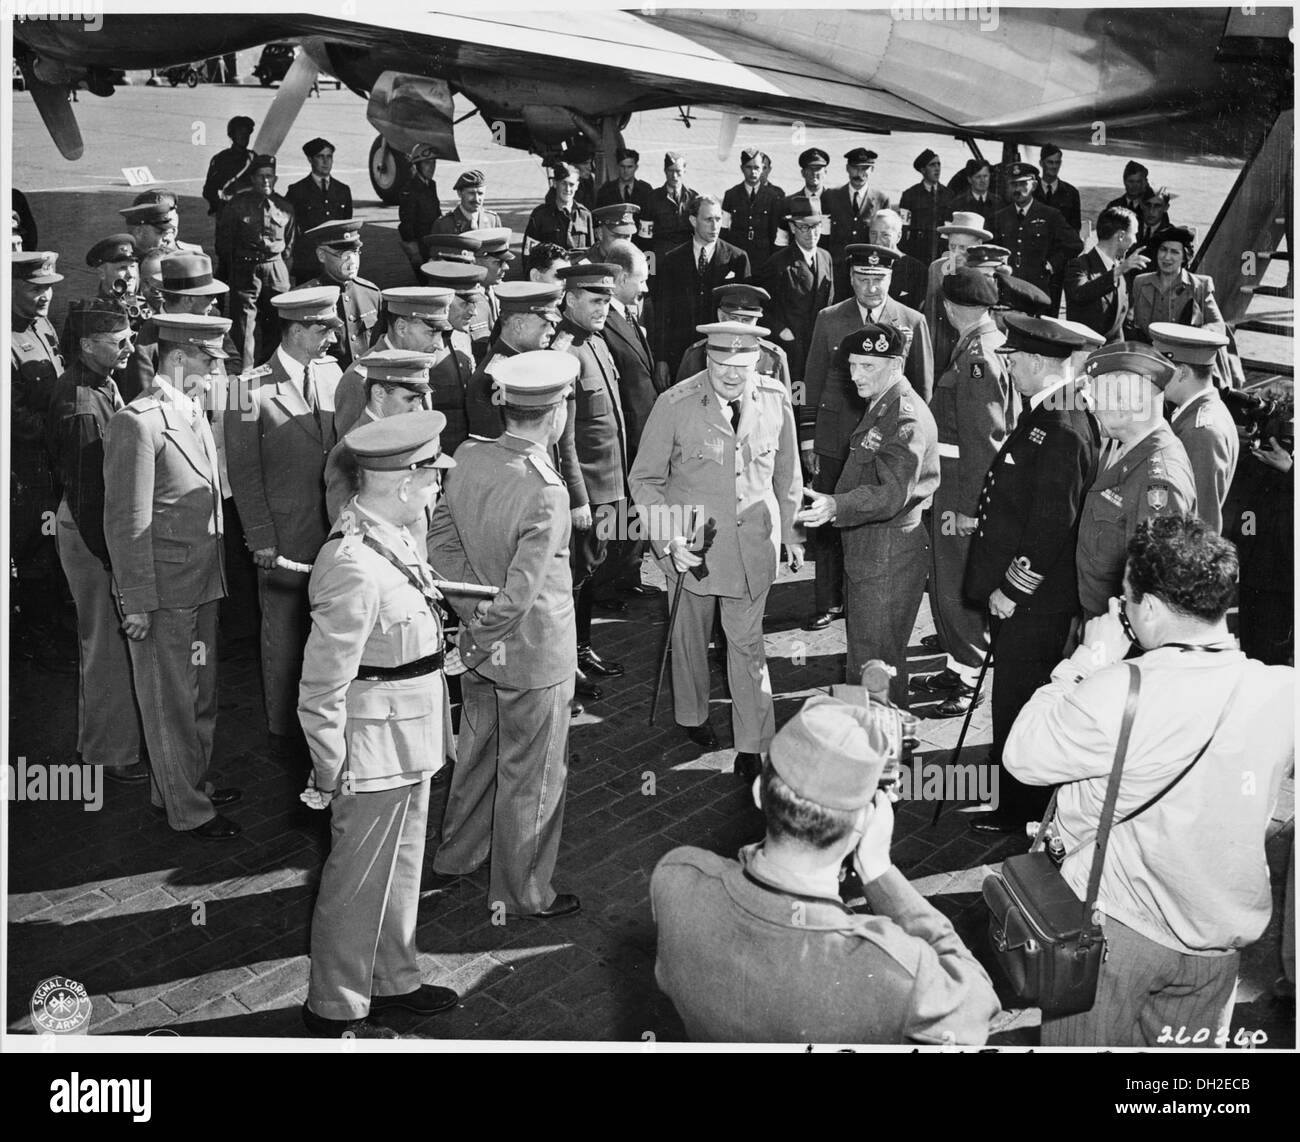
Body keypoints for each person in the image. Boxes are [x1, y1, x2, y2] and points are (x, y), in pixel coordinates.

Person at [1005, 516, 1295, 1048]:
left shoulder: (1118, 689)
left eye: (1127, 598)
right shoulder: (1282, 690)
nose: (1123, 610)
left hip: (1117, 932)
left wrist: (1084, 660)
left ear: (1152, 608)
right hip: (1218, 942)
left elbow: (1023, 755)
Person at [651, 693, 1001, 1044]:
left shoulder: (677, 877)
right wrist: (879, 870)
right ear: (865, 824)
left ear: (759, 793)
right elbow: (976, 1009)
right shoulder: (893, 969)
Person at [299, 412, 460, 1038]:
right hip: (370, 746)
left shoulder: (390, 534)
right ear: (403, 481)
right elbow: (322, 685)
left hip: (409, 731)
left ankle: (393, 978)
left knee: (400, 868)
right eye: (431, 477)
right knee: (356, 878)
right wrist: (329, 767)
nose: (436, 488)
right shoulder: (351, 562)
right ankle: (333, 1002)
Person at [427, 351, 583, 919]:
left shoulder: (470, 455)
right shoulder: (547, 489)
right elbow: (521, 594)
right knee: (535, 775)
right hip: (534, 653)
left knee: (478, 754)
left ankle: (457, 855)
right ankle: (524, 892)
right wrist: (482, 635)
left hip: (480, 644)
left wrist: (471, 622)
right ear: (556, 411)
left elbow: (439, 545)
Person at [629, 322, 803, 780]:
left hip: (751, 549)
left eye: (741, 367)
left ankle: (752, 743)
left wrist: (790, 534)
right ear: (707, 358)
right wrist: (668, 541)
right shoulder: (675, 404)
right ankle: (693, 715)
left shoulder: (773, 396)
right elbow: (645, 481)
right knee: (689, 639)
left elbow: (786, 471)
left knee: (747, 648)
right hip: (693, 553)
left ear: (757, 362)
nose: (731, 375)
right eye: (721, 364)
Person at [103, 313, 241, 839]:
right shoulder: (137, 422)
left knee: (198, 694)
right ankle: (187, 810)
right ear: (179, 359)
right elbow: (127, 520)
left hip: (201, 581)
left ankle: (184, 785)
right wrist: (134, 600)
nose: (215, 373)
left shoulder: (190, 410)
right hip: (163, 591)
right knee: (169, 702)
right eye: (209, 361)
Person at [963, 315, 1101, 835]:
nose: (1008, 366)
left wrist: (1009, 591)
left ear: (1039, 362)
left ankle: (1018, 808)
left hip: (1036, 600)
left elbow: (1049, 525)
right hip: (1035, 596)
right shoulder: (1052, 411)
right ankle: (1010, 790)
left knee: (1020, 697)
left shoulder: (1062, 426)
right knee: (1013, 692)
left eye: (1013, 359)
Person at [223, 286, 343, 758]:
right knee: (283, 631)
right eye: (322, 330)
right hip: (284, 538)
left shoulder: (333, 374)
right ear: (295, 330)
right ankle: (282, 725)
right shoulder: (246, 390)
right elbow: (244, 474)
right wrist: (261, 539)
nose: (331, 339)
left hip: (334, 530)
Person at [797, 325, 939, 707]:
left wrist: (837, 505)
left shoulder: (902, 416)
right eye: (853, 364)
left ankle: (882, 758)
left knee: (875, 662)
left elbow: (892, 493)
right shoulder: (885, 403)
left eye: (867, 366)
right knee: (869, 656)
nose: (856, 374)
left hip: (886, 554)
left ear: (894, 365)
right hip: (875, 550)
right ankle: (871, 748)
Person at [800, 243, 932, 631]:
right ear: (850, 277)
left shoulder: (912, 321)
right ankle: (828, 599)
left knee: (874, 516)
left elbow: (921, 389)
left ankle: (865, 595)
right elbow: (812, 378)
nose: (871, 287)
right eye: (862, 278)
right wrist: (810, 440)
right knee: (829, 518)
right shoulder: (829, 318)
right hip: (837, 437)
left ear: (891, 278)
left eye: (879, 279)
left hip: (889, 442)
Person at [45, 301, 147, 784]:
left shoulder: (98, 382)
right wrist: (117, 565)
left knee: (104, 641)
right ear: (87, 346)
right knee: (104, 645)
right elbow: (90, 499)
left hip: (96, 526)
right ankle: (111, 753)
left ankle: (111, 743)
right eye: (119, 340)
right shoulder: (84, 407)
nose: (129, 347)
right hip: (93, 536)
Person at [912, 270, 1013, 717]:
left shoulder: (977, 359)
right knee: (949, 582)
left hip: (961, 493)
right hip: (955, 485)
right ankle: (958, 663)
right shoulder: (982, 346)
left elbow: (983, 441)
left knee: (958, 581)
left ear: (951, 309)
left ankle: (970, 676)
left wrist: (975, 510)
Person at [1075, 341, 1197, 620]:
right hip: (1097, 618)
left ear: (1125, 405)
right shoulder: (1125, 447)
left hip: (1123, 635)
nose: (1091, 408)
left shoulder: (1160, 479)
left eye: (1098, 398)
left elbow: (1155, 586)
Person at [552, 263, 628, 698]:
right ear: (570, 299)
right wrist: (578, 497)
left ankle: (581, 648)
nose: (603, 309)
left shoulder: (594, 342)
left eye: (606, 301)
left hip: (608, 483)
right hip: (586, 489)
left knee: (589, 573)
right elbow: (563, 437)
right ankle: (569, 662)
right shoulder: (566, 350)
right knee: (574, 578)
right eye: (595, 301)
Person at [10, 251, 69, 663]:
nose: (45, 295)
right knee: (33, 547)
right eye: (34, 288)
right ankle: (35, 635)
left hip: (51, 462)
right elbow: (14, 418)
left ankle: (49, 624)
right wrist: (62, 429)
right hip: (25, 467)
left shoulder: (42, 325)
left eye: (48, 288)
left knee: (51, 545)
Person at [325, 350, 436, 522]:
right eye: (409, 399)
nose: (418, 410)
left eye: (421, 399)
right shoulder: (349, 453)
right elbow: (348, 526)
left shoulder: (410, 437)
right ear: (379, 393)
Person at [1150, 323, 1239, 534]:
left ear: (1181, 372)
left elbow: (1200, 520)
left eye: (1158, 370)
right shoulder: (1198, 414)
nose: (1152, 378)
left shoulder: (1201, 433)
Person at [332, 286, 455, 437]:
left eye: (442, 334)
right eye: (431, 333)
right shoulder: (360, 378)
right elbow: (349, 452)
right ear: (401, 328)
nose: (440, 345)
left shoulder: (417, 362)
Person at [653, 193, 751, 379]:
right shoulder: (672, 260)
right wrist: (661, 359)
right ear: (693, 220)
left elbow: (745, 314)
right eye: (708, 220)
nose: (715, 226)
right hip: (680, 355)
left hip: (723, 353)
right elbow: (662, 313)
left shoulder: (737, 258)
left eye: (718, 219)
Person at [121, 251, 235, 403]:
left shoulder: (212, 318)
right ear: (188, 300)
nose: (214, 302)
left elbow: (231, 363)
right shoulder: (146, 343)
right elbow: (148, 406)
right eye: (209, 297)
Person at [216, 153, 295, 367]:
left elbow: (288, 244)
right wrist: (237, 270)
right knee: (243, 327)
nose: (266, 181)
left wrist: (282, 271)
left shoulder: (285, 207)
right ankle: (243, 375)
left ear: (275, 178)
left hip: (276, 269)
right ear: (252, 179)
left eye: (270, 176)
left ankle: (273, 370)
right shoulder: (237, 205)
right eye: (261, 176)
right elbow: (224, 243)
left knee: (278, 324)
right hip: (246, 269)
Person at [463, 281, 562, 441]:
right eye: (544, 324)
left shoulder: (529, 362)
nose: (551, 331)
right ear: (518, 325)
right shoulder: (491, 379)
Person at [755, 197, 835, 394]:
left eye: (815, 226)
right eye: (803, 227)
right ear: (792, 228)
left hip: (818, 347)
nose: (811, 233)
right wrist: (781, 330)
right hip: (791, 350)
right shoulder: (778, 263)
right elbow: (758, 306)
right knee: (796, 400)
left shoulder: (826, 257)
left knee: (815, 398)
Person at [297, 219, 382, 369]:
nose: (352, 261)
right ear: (321, 255)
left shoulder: (371, 293)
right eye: (342, 254)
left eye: (355, 252)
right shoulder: (304, 298)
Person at [992, 161, 1083, 302]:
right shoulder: (1001, 216)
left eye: (1023, 184)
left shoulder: (1050, 215)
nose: (1018, 189)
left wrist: (1051, 265)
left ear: (1034, 185)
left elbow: (1074, 244)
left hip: (1038, 289)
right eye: (1014, 184)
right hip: (1008, 289)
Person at [674, 282, 791, 391]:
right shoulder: (695, 355)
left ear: (756, 320)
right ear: (720, 316)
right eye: (733, 318)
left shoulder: (773, 358)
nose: (739, 326)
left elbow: (782, 407)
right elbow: (680, 405)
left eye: (746, 320)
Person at [1126, 226, 1226, 344]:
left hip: (1183, 353)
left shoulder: (1199, 286)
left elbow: (1218, 325)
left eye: (1174, 252)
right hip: (1148, 353)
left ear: (1184, 257)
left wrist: (1193, 335)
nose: (1167, 257)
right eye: (1163, 249)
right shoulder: (1140, 282)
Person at [922, 210, 992, 371]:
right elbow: (930, 314)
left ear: (978, 245)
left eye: (963, 248)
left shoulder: (987, 272)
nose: (956, 253)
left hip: (976, 347)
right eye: (952, 246)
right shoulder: (937, 268)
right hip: (942, 345)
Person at [59, 234, 148, 360]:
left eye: (133, 267)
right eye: (122, 268)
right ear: (102, 273)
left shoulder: (146, 306)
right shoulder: (87, 313)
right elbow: (74, 361)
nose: (131, 274)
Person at [1064, 206, 1144, 342]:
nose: (1135, 240)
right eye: (1134, 234)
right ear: (1121, 236)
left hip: (1111, 356)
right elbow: (1080, 294)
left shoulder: (1121, 269)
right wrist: (1118, 271)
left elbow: (1118, 327)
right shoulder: (1079, 265)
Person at [821, 147, 888, 297]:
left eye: (865, 169)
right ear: (847, 168)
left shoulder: (881, 199)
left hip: (866, 272)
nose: (859, 174)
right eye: (855, 168)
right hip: (835, 272)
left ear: (872, 170)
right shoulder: (830, 196)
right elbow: (824, 238)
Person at [285, 137, 353, 282]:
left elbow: (347, 229)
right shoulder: (297, 191)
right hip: (308, 263)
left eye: (329, 157)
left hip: (336, 261)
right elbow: (288, 230)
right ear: (310, 159)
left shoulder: (343, 190)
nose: (326, 161)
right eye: (320, 157)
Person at [720, 147, 786, 272]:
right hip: (737, 254)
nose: (753, 172)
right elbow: (723, 229)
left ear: (762, 169)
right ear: (741, 168)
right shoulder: (731, 195)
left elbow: (774, 232)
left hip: (763, 256)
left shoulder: (772, 197)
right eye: (748, 167)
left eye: (756, 168)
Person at [1033, 144, 1082, 311]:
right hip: (1031, 263)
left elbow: (1074, 235)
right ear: (1041, 163)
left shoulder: (1071, 193)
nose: (1054, 166)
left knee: (1050, 312)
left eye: (1057, 162)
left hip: (1056, 266)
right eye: (1050, 162)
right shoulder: (1030, 191)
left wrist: (1056, 263)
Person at [202, 115, 255, 246]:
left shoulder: (254, 158)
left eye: (247, 134)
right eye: (240, 133)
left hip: (250, 215)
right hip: (228, 214)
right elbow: (209, 190)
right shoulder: (221, 159)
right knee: (226, 254)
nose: (244, 137)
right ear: (232, 135)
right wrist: (220, 210)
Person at [643, 152, 698, 273]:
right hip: (661, 259)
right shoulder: (652, 198)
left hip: (686, 259)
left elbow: (699, 234)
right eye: (670, 170)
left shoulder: (694, 198)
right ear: (664, 171)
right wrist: (649, 268)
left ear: (684, 171)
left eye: (678, 171)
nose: (674, 176)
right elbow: (645, 238)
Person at [898, 148, 954, 266]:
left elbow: (951, 225)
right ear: (923, 170)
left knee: (945, 281)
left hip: (943, 250)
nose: (937, 168)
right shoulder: (910, 195)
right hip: (918, 250)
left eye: (939, 164)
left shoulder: (949, 195)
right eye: (932, 165)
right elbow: (904, 226)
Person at [524, 161, 594, 254]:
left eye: (571, 184)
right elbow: (528, 253)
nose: (568, 189)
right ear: (555, 184)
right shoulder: (540, 215)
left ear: (577, 186)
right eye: (563, 183)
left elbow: (592, 253)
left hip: (578, 268)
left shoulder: (585, 215)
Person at [398, 144, 443, 279]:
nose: (432, 167)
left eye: (434, 162)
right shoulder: (409, 190)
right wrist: (414, 251)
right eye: (427, 163)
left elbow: (436, 211)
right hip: (421, 245)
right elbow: (406, 223)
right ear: (417, 165)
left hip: (434, 241)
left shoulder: (431, 185)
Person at [868, 209, 927, 309]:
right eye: (873, 233)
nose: (877, 241)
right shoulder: (859, 263)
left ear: (898, 236)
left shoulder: (916, 270)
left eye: (885, 235)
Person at [594, 146, 655, 229]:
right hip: (614, 236)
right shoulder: (606, 190)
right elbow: (598, 217)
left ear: (636, 167)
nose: (625, 171)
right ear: (617, 167)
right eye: (622, 166)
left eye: (629, 167)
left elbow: (650, 218)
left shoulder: (645, 190)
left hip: (639, 239)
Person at [429, 169, 501, 235]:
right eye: (471, 193)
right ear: (459, 193)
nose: (476, 199)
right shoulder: (444, 224)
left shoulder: (493, 220)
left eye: (480, 193)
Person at [949, 158, 1001, 231]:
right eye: (978, 177)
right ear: (969, 179)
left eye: (985, 176)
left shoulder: (999, 203)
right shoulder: (958, 204)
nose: (982, 181)